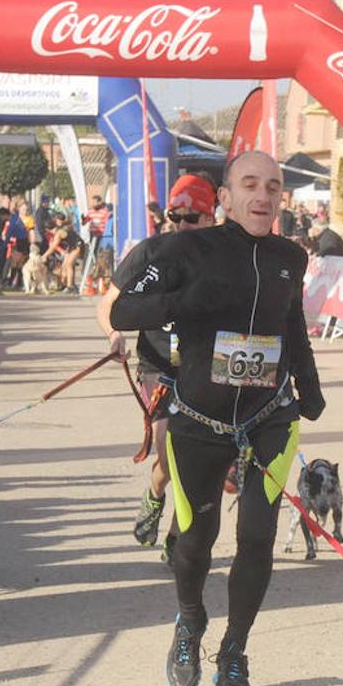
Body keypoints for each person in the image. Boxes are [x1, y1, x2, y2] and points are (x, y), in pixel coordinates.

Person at [109, 150, 325, 686]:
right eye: (249, 184)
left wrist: (308, 382)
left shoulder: (288, 257)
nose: (263, 195)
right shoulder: (187, 249)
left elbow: (292, 322)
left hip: (268, 418)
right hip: (198, 421)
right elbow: (122, 312)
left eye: (273, 187)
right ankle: (190, 620)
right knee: (195, 541)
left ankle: (233, 653)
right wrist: (184, 301)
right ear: (224, 198)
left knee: (256, 537)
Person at [98, 173, 218, 563]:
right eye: (175, 215)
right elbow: (108, 304)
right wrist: (113, 334)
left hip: (204, 369)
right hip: (159, 367)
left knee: (197, 461)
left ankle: (176, 537)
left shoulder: (224, 257)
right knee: (170, 458)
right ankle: (154, 495)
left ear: (212, 216)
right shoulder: (150, 253)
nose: (182, 224)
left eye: (193, 217)